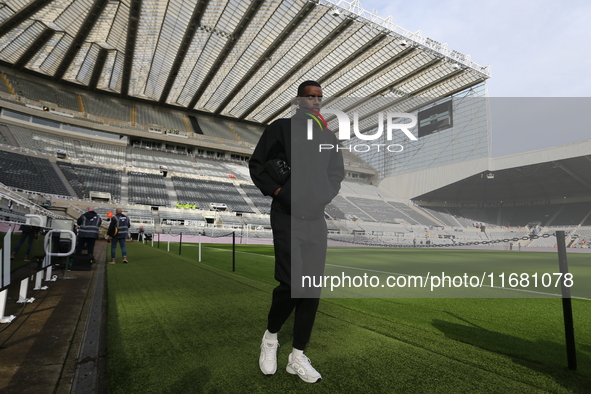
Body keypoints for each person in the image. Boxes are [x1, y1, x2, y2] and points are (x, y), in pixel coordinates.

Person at [249, 80, 344, 384]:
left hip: (316, 218)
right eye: (309, 96)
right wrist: (279, 191)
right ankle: (270, 338)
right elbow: (258, 164)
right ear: (299, 100)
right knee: (291, 284)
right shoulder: (281, 129)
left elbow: (336, 174)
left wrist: (323, 195)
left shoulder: (328, 137)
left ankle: (297, 356)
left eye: (319, 97)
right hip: (287, 215)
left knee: (312, 290)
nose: (315, 101)